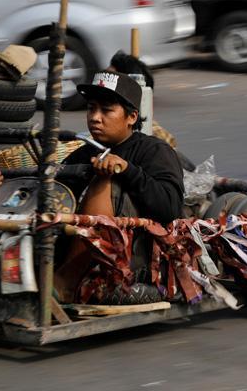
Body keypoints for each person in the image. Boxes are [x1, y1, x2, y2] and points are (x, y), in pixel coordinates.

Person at [54, 70, 184, 302]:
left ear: (132, 117)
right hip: (74, 245)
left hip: (136, 255)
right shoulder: (82, 152)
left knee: (103, 180)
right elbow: (58, 195)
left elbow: (171, 209)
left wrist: (127, 171)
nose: (95, 117)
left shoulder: (154, 150)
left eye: (106, 110)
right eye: (91, 108)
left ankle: (66, 282)